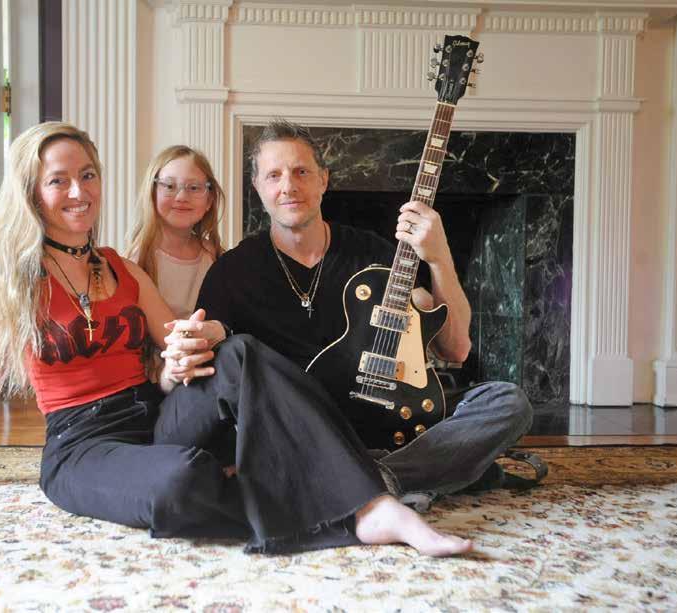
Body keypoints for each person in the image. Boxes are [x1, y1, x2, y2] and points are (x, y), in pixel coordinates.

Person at [0, 122, 472, 557]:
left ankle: (373, 505)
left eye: (87, 175)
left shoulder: (120, 268)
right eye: (59, 181)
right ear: (31, 191)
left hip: (154, 416)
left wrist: (193, 342)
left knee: (238, 352)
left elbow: (181, 339)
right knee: (181, 481)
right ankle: (343, 514)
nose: (78, 191)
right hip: (82, 444)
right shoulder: (6, 279)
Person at [196, 119, 539, 512]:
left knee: (509, 402)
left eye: (301, 172)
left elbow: (456, 349)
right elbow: (214, 379)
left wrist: (439, 255)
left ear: (324, 180)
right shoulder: (232, 272)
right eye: (274, 175)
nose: (288, 186)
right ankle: (417, 475)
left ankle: (376, 478)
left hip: (394, 416)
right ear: (257, 186)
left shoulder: (373, 252)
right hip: (305, 432)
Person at [127, 145, 224, 319]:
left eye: (194, 188)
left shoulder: (214, 255)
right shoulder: (137, 260)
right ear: (152, 194)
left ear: (209, 200)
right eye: (170, 186)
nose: (181, 197)